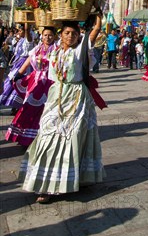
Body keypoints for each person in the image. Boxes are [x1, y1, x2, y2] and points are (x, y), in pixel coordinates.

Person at [19, 14, 105, 204]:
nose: (70, 37)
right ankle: (45, 183)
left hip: (76, 97)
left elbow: (94, 33)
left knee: (74, 137)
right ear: (61, 34)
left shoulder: (79, 51)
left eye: (74, 34)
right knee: (47, 137)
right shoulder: (54, 52)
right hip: (55, 95)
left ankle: (76, 177)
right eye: (67, 33)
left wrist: (98, 17)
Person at [5, 27, 57, 146]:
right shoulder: (37, 49)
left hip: (50, 82)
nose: (47, 37)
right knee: (28, 107)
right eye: (45, 35)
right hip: (35, 82)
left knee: (45, 110)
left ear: (54, 36)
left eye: (50, 35)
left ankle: (42, 136)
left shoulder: (57, 50)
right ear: (41, 36)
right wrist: (18, 75)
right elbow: (28, 61)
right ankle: (24, 136)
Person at [0, 23, 34, 110]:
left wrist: (27, 27)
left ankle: (18, 105)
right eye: (18, 30)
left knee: (20, 83)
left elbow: (27, 33)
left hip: (24, 64)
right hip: (17, 63)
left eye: (20, 30)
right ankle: (13, 104)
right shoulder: (19, 40)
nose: (19, 32)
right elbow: (8, 42)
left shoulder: (28, 40)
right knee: (11, 82)